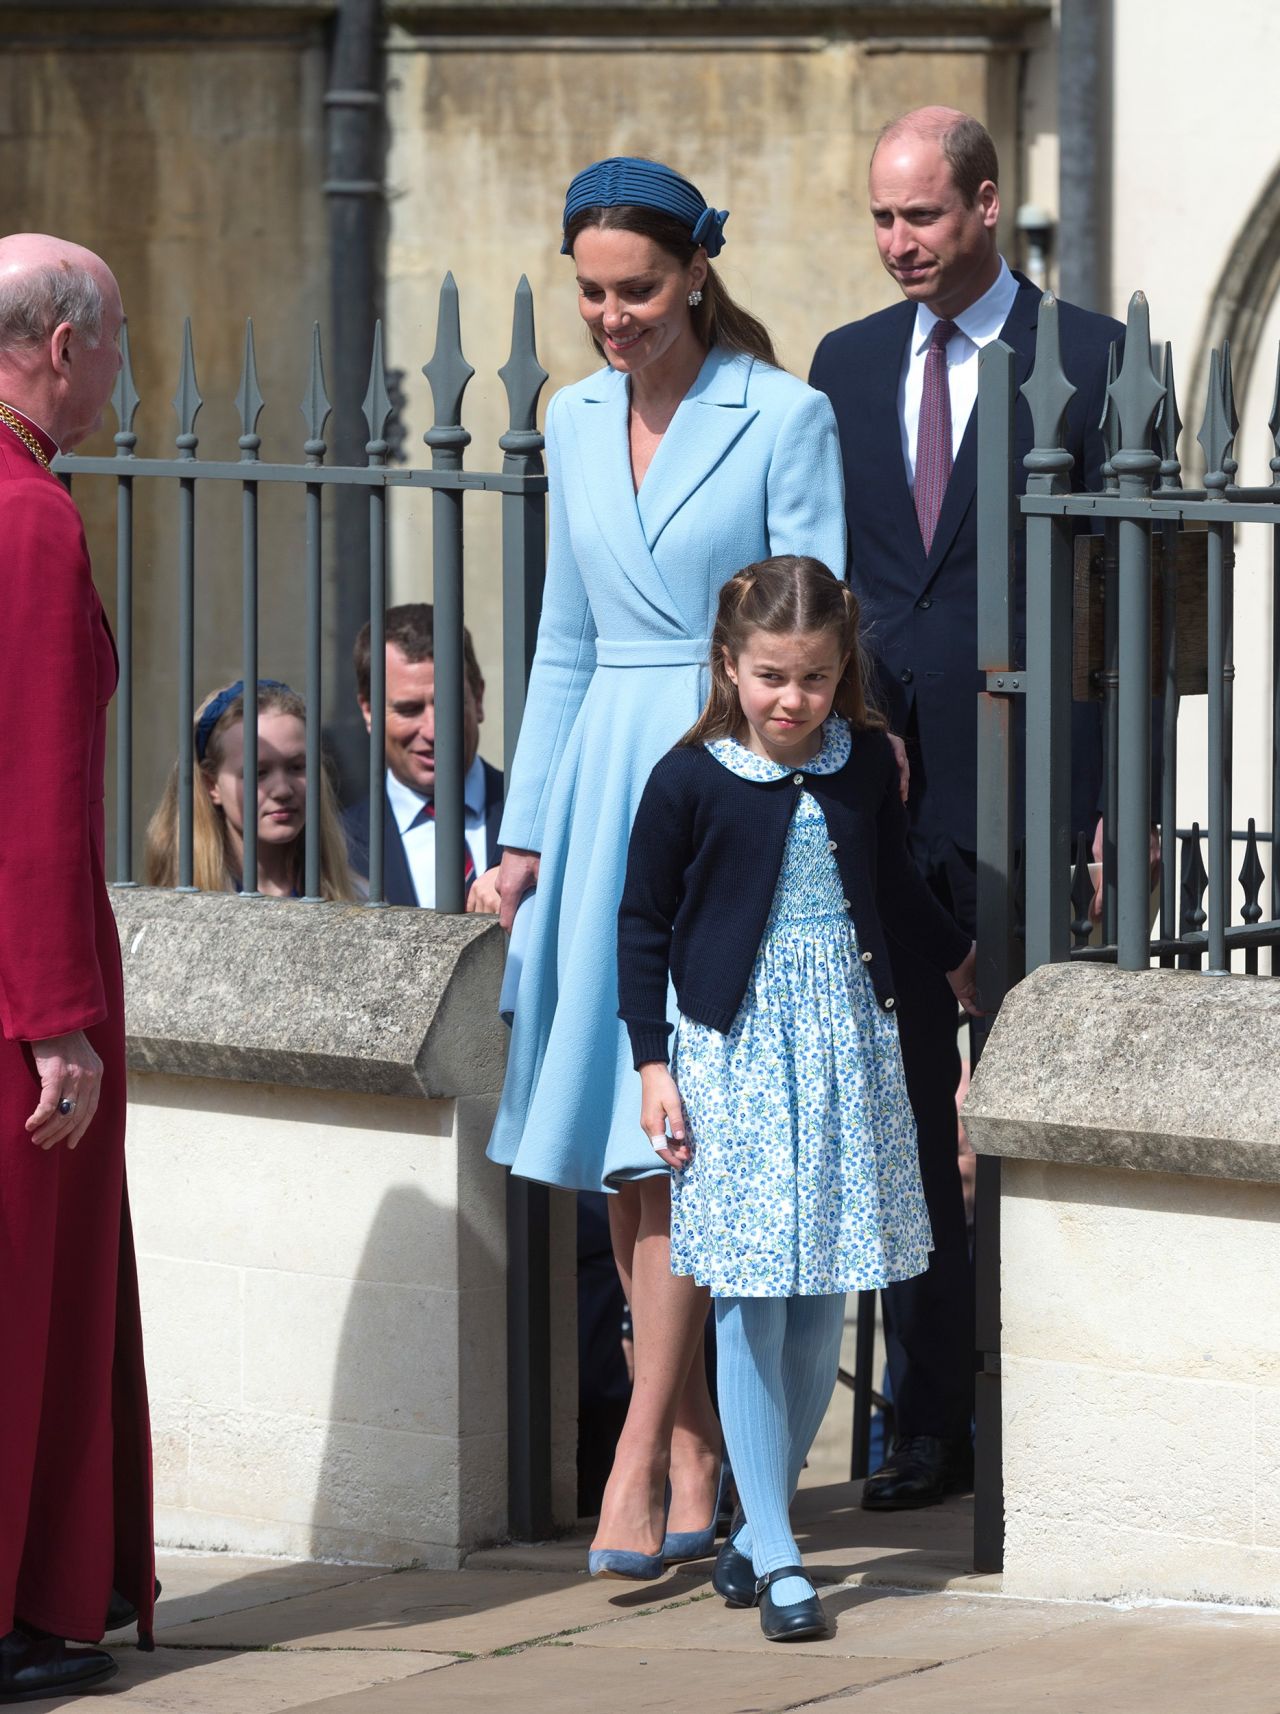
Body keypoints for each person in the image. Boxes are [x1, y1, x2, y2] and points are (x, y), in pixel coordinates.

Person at [489, 157, 847, 1575]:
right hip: (592, 798)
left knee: (688, 1144)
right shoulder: (569, 418)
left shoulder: (787, 414)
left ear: (697, 272)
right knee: (634, 1155)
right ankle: (692, 1448)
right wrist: (523, 836)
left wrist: (767, 800)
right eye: (588, 291)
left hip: (723, 785)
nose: (609, 316)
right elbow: (565, 640)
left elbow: (813, 645)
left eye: (636, 288)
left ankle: (638, 1457)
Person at [809, 107, 1122, 1510]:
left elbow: (1128, 602)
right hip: (893, 790)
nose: (897, 245)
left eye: (920, 218)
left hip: (1038, 785)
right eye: (881, 218)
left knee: (1028, 1100)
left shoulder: (1094, 360)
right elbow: (842, 578)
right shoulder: (848, 362)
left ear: (988, 206)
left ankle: (1050, 1401)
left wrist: (1116, 799)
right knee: (904, 1106)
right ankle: (932, 1412)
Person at [617, 556, 978, 1639]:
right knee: (749, 1294)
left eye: (813, 678)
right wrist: (651, 1062)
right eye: (770, 674)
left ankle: (753, 1523)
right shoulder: (687, 780)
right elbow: (640, 924)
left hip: (845, 1048)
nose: (790, 698)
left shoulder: (863, 762)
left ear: (840, 673)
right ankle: (777, 1551)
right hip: (732, 1056)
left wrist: (962, 963)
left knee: (826, 1292)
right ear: (728, 666)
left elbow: (890, 889)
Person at [0, 233, 154, 1702]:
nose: (120, 370)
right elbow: (37, 797)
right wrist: (55, 1021)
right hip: (16, 982)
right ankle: (25, 1605)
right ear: (59, 346)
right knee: (26, 1304)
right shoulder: (30, 519)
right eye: (112, 344)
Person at [345, 605, 503, 912]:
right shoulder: (338, 845)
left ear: (479, 698)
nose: (433, 731)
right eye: (408, 709)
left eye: (449, 703)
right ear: (368, 711)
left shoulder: (541, 817)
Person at [145, 680, 358, 900]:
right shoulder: (173, 901)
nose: (282, 790)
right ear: (212, 785)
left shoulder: (356, 896)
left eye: (297, 767)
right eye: (258, 773)